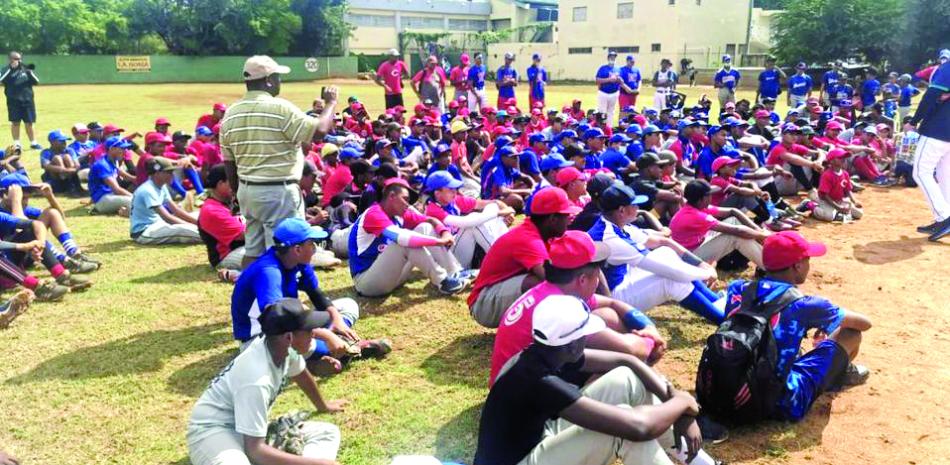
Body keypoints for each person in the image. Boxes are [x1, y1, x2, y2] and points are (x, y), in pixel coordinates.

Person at [474, 294, 720, 465]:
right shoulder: (539, 380)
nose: (588, 339)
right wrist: (682, 404)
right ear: (571, 343)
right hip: (521, 460)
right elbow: (639, 427)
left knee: (628, 379)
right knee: (622, 431)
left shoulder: (548, 352)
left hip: (537, 438)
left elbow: (627, 362)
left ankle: (702, 462)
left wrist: (678, 407)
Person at [716, 231, 872, 422]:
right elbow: (865, 323)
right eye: (808, 260)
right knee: (851, 334)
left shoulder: (738, 288)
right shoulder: (806, 304)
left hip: (731, 384)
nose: (809, 265)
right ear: (797, 266)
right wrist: (825, 320)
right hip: (780, 402)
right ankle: (839, 373)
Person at [490, 231, 666, 386]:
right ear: (582, 280)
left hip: (516, 381)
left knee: (608, 315)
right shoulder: (562, 309)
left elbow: (612, 304)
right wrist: (651, 341)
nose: (598, 281)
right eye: (597, 276)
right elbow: (630, 350)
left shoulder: (554, 290)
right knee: (624, 369)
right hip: (527, 395)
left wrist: (648, 327)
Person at [187, 298, 346, 465]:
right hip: (211, 433)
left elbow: (301, 374)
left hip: (245, 429)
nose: (314, 333)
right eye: (308, 329)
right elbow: (255, 451)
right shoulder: (256, 379)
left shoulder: (281, 348)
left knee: (327, 432)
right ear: (289, 337)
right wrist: (316, 463)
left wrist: (323, 405)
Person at [221, 55, 338, 268]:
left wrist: (239, 195)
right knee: (288, 253)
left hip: (248, 190)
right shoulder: (280, 108)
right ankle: (282, 300)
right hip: (278, 191)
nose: (279, 82)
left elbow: (230, 163)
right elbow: (320, 131)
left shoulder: (230, 114)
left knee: (254, 251)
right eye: (277, 77)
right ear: (268, 80)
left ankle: (254, 296)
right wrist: (330, 104)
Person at [231, 218, 387, 366]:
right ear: (297, 249)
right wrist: (325, 335)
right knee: (307, 344)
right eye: (311, 244)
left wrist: (336, 320)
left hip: (287, 322)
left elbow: (316, 294)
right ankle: (345, 350)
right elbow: (276, 318)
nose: (315, 248)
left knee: (348, 305)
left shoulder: (297, 261)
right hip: (259, 338)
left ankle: (334, 342)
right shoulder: (268, 271)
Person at [590, 184, 725, 324]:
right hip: (610, 299)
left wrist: (701, 264)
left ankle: (717, 302)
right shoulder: (611, 238)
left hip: (619, 280)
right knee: (671, 281)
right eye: (634, 205)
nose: (638, 208)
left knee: (666, 254)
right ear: (622, 210)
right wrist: (708, 273)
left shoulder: (612, 224)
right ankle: (723, 319)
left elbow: (663, 242)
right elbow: (677, 274)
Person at [468, 187, 578, 328]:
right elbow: (550, 279)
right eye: (566, 215)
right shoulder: (528, 239)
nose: (569, 220)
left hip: (496, 292)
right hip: (483, 305)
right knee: (541, 283)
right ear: (552, 219)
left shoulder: (542, 232)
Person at [349, 178, 470, 297]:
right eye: (405, 199)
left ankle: (454, 272)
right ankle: (443, 282)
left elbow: (430, 220)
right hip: (367, 281)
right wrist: (438, 241)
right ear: (391, 196)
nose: (407, 205)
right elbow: (402, 238)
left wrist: (444, 232)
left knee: (424, 227)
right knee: (405, 242)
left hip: (392, 276)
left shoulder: (399, 214)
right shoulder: (374, 213)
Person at [669, 180, 769, 269]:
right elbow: (738, 231)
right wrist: (763, 235)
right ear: (701, 199)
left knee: (733, 221)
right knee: (735, 236)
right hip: (688, 260)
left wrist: (758, 230)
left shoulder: (695, 205)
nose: (711, 197)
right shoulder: (696, 215)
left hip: (692, 248)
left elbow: (732, 211)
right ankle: (771, 267)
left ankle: (767, 259)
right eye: (709, 195)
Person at [424, 171, 512, 269]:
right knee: (473, 223)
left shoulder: (453, 200)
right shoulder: (432, 209)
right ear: (437, 193)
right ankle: (504, 260)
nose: (455, 191)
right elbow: (466, 222)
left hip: (460, 248)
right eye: (450, 189)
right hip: (449, 259)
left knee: (491, 207)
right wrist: (498, 213)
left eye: (454, 188)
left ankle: (508, 251)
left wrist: (504, 209)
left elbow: (491, 203)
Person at [909, 60, 950, 241]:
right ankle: (944, 217)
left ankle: (944, 218)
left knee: (921, 172)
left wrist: (914, 120)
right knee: (944, 174)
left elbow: (932, 92)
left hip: (937, 129)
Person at [130, 157, 201, 245]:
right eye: (168, 172)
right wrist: (193, 226)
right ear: (156, 173)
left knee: (198, 215)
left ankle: (210, 230)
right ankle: (212, 236)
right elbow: (167, 217)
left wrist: (198, 223)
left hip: (159, 224)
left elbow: (176, 210)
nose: (172, 175)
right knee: (183, 229)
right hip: (145, 231)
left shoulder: (161, 186)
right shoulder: (147, 190)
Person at [198, 165, 246, 272]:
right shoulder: (212, 210)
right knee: (268, 255)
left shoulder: (231, 202)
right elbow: (243, 235)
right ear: (220, 184)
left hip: (244, 248)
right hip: (227, 256)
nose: (238, 185)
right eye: (234, 181)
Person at [0, 52, 41, 149]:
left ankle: (33, 143)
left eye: (20, 58)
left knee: (29, 122)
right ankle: (17, 143)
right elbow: (1, 80)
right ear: (11, 59)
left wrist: (29, 72)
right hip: (13, 101)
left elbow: (36, 82)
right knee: (15, 122)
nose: (19, 61)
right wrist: (11, 69)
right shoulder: (5, 70)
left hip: (28, 101)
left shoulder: (25, 69)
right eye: (16, 59)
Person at [813, 148, 863, 222]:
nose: (843, 159)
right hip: (826, 201)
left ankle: (838, 213)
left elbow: (848, 190)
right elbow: (824, 196)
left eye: (844, 157)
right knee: (829, 216)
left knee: (859, 214)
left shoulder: (845, 173)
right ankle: (811, 206)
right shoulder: (827, 175)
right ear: (832, 161)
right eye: (840, 157)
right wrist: (838, 207)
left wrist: (854, 201)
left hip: (839, 200)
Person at [88, 136, 134, 215]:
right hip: (102, 200)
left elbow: (126, 176)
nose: (125, 151)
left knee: (140, 199)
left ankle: (124, 211)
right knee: (134, 201)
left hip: (111, 196)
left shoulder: (112, 161)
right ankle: (125, 212)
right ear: (112, 149)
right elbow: (117, 189)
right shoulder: (102, 164)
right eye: (122, 148)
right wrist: (136, 198)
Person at [596, 51, 624, 125]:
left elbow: (622, 81)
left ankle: (609, 128)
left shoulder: (618, 69)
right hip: (603, 92)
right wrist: (609, 79)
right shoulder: (603, 68)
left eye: (614, 57)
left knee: (611, 112)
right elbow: (597, 80)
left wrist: (619, 80)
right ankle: (601, 127)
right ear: (608, 58)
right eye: (611, 57)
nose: (613, 58)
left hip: (614, 93)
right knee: (602, 111)